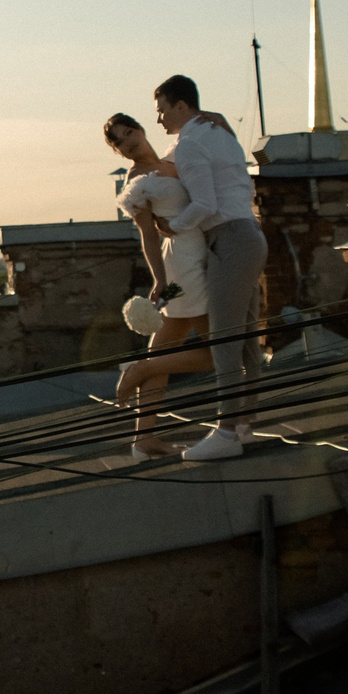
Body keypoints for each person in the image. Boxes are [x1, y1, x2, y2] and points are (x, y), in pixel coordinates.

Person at [152, 73, 267, 459]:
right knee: (246, 339)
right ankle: (244, 424)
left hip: (230, 240)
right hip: (248, 236)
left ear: (181, 105)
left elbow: (204, 204)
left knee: (224, 340)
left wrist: (171, 226)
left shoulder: (190, 144)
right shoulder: (217, 133)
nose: (159, 118)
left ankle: (227, 433)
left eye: (162, 110)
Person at [105, 113, 214, 456]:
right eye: (119, 142)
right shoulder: (137, 179)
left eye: (129, 133)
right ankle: (142, 369)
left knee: (164, 350)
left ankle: (144, 438)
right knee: (219, 353)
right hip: (182, 264)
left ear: (140, 129)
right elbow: (148, 236)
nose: (128, 142)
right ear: (116, 150)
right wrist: (160, 279)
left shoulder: (172, 159)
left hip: (199, 254)